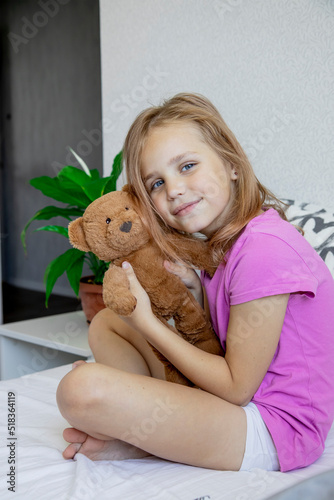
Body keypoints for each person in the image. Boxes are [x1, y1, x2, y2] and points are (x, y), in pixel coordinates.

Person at [56, 93, 334, 472]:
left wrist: (148, 324)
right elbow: (223, 337)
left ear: (232, 164)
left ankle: (145, 435)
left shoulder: (265, 249)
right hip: (235, 404)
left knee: (80, 389)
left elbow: (238, 387)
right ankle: (147, 436)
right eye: (156, 183)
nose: (173, 190)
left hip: (275, 429)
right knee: (107, 322)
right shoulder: (219, 247)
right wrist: (197, 291)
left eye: (187, 166)